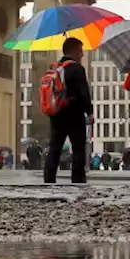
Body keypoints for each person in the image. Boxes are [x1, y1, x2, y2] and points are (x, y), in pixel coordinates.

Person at [43, 37, 93, 184]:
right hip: (74, 114)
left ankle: (49, 178)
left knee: (55, 147)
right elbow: (84, 93)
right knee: (78, 148)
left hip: (57, 114)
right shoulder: (77, 69)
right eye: (80, 51)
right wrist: (89, 112)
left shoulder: (55, 68)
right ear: (73, 51)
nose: (82, 54)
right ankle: (77, 179)